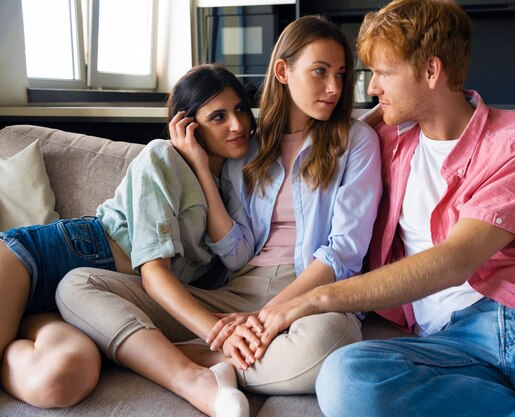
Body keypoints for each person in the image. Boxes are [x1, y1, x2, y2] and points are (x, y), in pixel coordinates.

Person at [245, 1, 515, 417]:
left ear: (431, 71)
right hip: (450, 342)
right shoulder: (386, 146)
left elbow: (456, 259)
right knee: (346, 379)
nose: (371, 87)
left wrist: (319, 299)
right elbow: (336, 133)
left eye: (384, 73)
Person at [56, 15, 381, 417]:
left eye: (341, 74)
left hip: (309, 291)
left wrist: (267, 316)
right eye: (320, 71)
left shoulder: (356, 141)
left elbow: (344, 251)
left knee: (332, 341)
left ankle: (163, 355)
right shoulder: (246, 147)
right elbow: (237, 253)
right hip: (236, 290)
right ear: (283, 70)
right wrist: (203, 173)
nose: (333, 87)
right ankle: (200, 357)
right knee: (77, 283)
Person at [0, 63, 255, 410]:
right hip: (36, 260)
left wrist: (203, 168)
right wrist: (219, 333)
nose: (237, 125)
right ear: (188, 125)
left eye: (240, 109)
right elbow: (155, 275)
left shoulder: (236, 184)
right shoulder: (162, 157)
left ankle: (14, 338)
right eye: (218, 117)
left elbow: (237, 258)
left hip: (89, 301)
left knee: (58, 381)